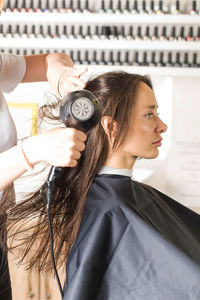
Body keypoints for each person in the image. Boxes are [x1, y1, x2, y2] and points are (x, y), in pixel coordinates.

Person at [3, 71, 200, 300]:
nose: (162, 126)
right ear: (111, 127)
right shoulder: (110, 208)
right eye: (149, 114)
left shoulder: (118, 198)